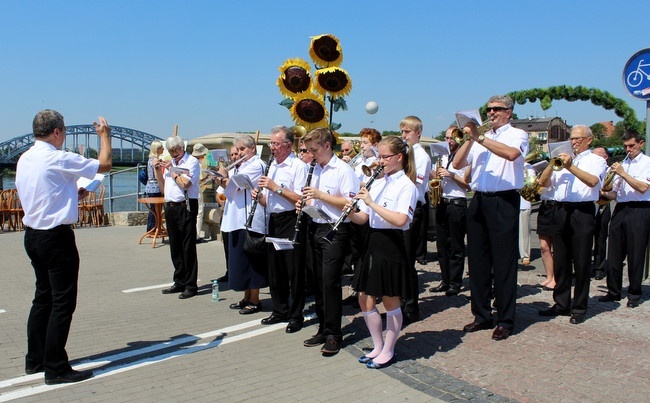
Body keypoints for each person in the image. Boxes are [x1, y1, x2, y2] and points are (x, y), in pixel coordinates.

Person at [16, 110, 112, 384]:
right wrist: (105, 136)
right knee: (63, 303)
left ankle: (35, 360)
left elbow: (45, 189)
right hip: (56, 239)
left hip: (33, 235)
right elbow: (105, 164)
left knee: (42, 299)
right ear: (56, 132)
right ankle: (56, 367)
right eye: (64, 132)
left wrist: (73, 192)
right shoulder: (57, 157)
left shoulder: (25, 158)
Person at [453, 95, 528, 341]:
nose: (492, 113)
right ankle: (482, 315)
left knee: (504, 262)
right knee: (478, 260)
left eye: (496, 109)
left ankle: (506, 319)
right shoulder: (480, 138)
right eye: (489, 109)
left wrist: (480, 138)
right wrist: (469, 139)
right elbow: (457, 162)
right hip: (479, 200)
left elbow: (510, 154)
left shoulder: (517, 134)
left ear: (508, 112)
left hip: (504, 200)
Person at [347, 135, 418, 369]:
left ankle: (389, 349)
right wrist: (348, 211)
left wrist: (372, 202)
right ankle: (377, 345)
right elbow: (364, 218)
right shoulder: (377, 181)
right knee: (364, 297)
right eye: (380, 156)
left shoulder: (406, 185)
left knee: (389, 299)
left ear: (399, 157)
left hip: (392, 243)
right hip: (372, 241)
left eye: (386, 157)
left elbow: (400, 219)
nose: (381, 161)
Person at [537, 125, 607, 324]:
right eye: (572, 138)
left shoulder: (595, 160)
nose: (574, 142)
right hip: (560, 210)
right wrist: (552, 163)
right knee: (561, 260)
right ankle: (561, 303)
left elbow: (592, 181)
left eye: (578, 138)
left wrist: (570, 167)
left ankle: (580, 306)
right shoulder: (563, 159)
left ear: (589, 140)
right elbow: (543, 182)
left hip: (582, 211)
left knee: (582, 260)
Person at [301, 127, 360, 355]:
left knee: (330, 282)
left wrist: (320, 195)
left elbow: (349, 204)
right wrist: (305, 204)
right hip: (315, 225)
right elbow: (313, 198)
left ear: (327, 146)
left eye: (314, 150)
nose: (312, 154)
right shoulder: (315, 168)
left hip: (336, 230)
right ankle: (323, 328)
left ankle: (335, 333)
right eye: (309, 150)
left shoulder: (343, 170)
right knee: (317, 281)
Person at [254, 126, 308, 334]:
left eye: (275, 144)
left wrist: (275, 187)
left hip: (291, 220)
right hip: (273, 219)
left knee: (293, 270)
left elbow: (300, 198)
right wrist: (259, 197)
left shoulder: (297, 166)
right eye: (271, 144)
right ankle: (280, 309)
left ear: (287, 145)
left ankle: (296, 315)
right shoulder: (273, 165)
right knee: (275, 270)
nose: (272, 148)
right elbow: (270, 201)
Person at [599, 131, 650, 308]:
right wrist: (603, 193)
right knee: (614, 252)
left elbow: (643, 187)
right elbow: (616, 193)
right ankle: (613, 291)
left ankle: (634, 293)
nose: (628, 150)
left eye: (632, 146)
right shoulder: (623, 163)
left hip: (640, 209)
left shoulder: (647, 163)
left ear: (641, 144)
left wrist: (623, 173)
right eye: (626, 146)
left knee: (635, 253)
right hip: (621, 208)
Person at [219, 135, 268, 314]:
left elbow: (235, 184)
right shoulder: (241, 166)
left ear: (252, 149)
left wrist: (224, 176)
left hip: (249, 220)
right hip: (235, 219)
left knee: (252, 261)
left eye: (242, 150)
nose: (239, 154)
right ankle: (246, 296)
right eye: (238, 151)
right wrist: (221, 177)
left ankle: (255, 299)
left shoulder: (257, 165)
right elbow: (227, 189)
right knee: (241, 261)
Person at [429, 126, 470, 296]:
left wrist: (451, 175)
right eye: (446, 137)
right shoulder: (443, 156)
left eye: (452, 138)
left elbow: (468, 185)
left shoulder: (466, 158)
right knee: (442, 245)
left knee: (456, 245)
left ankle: (455, 282)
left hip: (457, 203)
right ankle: (445, 280)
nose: (449, 141)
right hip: (441, 202)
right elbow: (434, 177)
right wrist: (433, 174)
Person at [160, 136, 201, 299]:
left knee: (187, 246)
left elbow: (186, 183)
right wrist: (159, 171)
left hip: (186, 205)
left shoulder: (191, 162)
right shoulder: (171, 164)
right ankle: (179, 280)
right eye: (171, 151)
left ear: (182, 147)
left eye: (176, 150)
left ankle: (191, 285)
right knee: (175, 246)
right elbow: (163, 188)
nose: (174, 154)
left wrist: (172, 171)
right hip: (170, 206)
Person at [400, 116, 432, 323]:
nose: (404, 136)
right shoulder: (406, 153)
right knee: (400, 261)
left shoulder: (420, 156)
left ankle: (410, 307)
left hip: (414, 209)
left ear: (418, 133)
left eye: (408, 132)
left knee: (407, 261)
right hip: (401, 209)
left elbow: (414, 181)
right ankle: (401, 304)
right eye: (402, 132)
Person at [216, 145, 240, 283]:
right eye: (232, 155)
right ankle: (229, 270)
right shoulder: (230, 171)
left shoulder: (237, 173)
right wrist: (221, 201)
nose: (234, 157)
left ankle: (235, 273)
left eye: (237, 153)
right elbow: (218, 193)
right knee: (227, 246)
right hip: (226, 213)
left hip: (237, 216)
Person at [591, 146, 611, 281]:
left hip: (603, 204)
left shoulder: (610, 171)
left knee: (600, 238)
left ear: (605, 158)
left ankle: (599, 267)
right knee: (583, 238)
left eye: (598, 156)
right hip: (590, 204)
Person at [536, 186, 556, 290]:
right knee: (544, 247)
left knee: (557, 247)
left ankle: (556, 279)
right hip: (545, 205)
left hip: (557, 205)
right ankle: (549, 277)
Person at [519, 162, 536, 266]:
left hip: (523, 202)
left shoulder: (528, 167)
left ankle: (525, 255)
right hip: (508, 202)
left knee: (524, 231)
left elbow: (531, 183)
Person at [145, 141, 165, 231]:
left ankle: (152, 228)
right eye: (162, 147)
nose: (163, 149)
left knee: (153, 209)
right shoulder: (155, 160)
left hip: (150, 186)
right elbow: (157, 175)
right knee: (156, 210)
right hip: (155, 187)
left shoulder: (150, 159)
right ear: (157, 149)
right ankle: (154, 228)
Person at [192, 143, 209, 243]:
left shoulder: (190, 162)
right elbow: (200, 180)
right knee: (199, 212)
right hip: (197, 190)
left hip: (190, 192)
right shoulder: (198, 164)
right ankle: (196, 235)